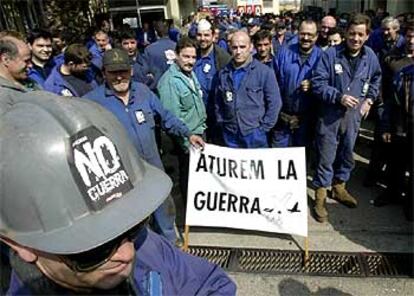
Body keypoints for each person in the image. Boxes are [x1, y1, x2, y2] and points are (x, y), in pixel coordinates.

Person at [0, 91, 237, 295]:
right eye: (96, 250)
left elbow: (211, 283)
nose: (127, 253)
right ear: (22, 247)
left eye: (132, 225)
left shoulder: (145, 244)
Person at [84, 48, 204, 243]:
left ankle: (171, 246)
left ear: (131, 70)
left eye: (123, 71)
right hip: (124, 177)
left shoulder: (143, 92)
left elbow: (166, 117)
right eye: (113, 72)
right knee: (137, 222)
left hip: (153, 169)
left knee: (164, 210)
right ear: (104, 73)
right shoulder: (91, 103)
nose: (119, 77)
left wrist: (188, 134)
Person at [311, 14, 381, 223]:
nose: (356, 38)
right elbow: (317, 83)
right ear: (346, 34)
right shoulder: (331, 55)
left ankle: (339, 187)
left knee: (347, 153)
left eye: (360, 34)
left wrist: (369, 100)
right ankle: (321, 194)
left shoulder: (370, 56)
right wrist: (338, 97)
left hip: (353, 117)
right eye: (352, 34)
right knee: (326, 156)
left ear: (367, 36)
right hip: (330, 116)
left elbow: (376, 79)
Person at [158, 37, 207, 205]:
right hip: (186, 142)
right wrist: (186, 144)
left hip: (199, 134)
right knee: (189, 181)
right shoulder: (169, 82)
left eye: (193, 57)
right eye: (186, 57)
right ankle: (190, 215)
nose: (190, 61)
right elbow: (172, 119)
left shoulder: (190, 74)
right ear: (176, 56)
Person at [373, 21, 414, 221]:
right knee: (395, 160)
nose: (412, 41)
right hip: (399, 121)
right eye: (410, 36)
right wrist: (386, 124)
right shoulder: (395, 60)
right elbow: (388, 95)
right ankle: (392, 193)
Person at [214, 31, 282, 148]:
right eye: (235, 47)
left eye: (242, 47)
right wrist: (221, 121)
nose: (238, 51)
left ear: (250, 47)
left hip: (254, 134)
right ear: (230, 47)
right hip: (230, 133)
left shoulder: (264, 72)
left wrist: (263, 128)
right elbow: (218, 101)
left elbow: (275, 103)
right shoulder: (223, 74)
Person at [272, 20, 322, 148]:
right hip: (282, 117)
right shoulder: (284, 53)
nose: (306, 38)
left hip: (307, 119)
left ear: (316, 36)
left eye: (310, 35)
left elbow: (327, 85)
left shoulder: (322, 58)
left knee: (301, 158)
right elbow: (272, 84)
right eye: (302, 34)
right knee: (279, 156)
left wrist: (313, 84)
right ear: (297, 34)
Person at [194, 19, 231, 142]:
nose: (202, 39)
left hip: (216, 115)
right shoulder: (192, 56)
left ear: (213, 36)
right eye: (199, 35)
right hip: (198, 116)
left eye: (206, 35)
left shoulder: (223, 58)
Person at [136, 20, 176, 91]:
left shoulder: (149, 49)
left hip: (158, 89)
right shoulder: (178, 47)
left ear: (155, 32)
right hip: (177, 88)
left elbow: (144, 73)